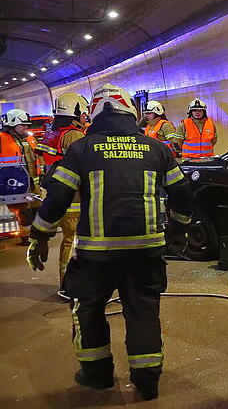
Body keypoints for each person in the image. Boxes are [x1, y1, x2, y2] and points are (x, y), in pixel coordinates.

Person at [25, 83, 193, 400]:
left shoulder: (81, 150)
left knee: (87, 311)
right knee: (143, 312)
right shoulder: (156, 149)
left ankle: (98, 375)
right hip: (146, 252)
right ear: (131, 112)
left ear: (95, 114)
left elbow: (58, 197)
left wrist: (39, 236)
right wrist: (179, 231)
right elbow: (182, 193)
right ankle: (147, 382)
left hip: (95, 257)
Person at [37, 93, 89, 290]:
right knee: (75, 239)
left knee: (68, 239)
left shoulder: (54, 133)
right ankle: (72, 284)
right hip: (73, 195)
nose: (85, 117)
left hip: (59, 192)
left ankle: (68, 283)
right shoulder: (73, 135)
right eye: (83, 113)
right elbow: (83, 165)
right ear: (74, 112)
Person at [1, 109, 42, 229]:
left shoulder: (30, 139)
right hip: (13, 185)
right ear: (12, 125)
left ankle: (36, 235)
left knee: (37, 210)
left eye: (27, 125)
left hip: (33, 185)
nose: (26, 127)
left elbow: (38, 159)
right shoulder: (2, 138)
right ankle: (27, 237)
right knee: (24, 212)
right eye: (22, 125)